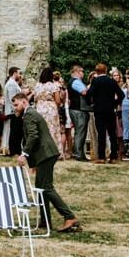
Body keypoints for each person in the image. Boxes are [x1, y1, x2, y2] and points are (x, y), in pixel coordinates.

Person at [13, 93, 80, 233]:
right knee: (41, 188)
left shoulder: (29, 114)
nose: (15, 108)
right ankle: (45, 221)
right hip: (44, 155)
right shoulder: (30, 113)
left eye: (16, 104)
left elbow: (33, 135)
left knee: (46, 187)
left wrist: (24, 155)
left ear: (25, 102)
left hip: (46, 154)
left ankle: (69, 216)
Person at [88, 63, 122, 163]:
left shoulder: (95, 81)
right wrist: (115, 103)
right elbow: (121, 95)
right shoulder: (112, 81)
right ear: (106, 71)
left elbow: (89, 93)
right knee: (112, 133)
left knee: (101, 133)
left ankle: (102, 157)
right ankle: (113, 157)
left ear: (97, 71)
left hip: (99, 110)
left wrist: (91, 103)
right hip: (110, 110)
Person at [32, 67, 64, 155]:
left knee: (41, 129)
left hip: (39, 107)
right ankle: (53, 151)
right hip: (50, 108)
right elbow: (57, 100)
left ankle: (41, 151)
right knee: (52, 129)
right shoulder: (53, 85)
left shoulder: (38, 85)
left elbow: (34, 98)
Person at [67, 64, 91, 161]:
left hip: (77, 109)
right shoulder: (76, 82)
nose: (83, 73)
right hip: (78, 109)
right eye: (82, 71)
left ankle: (79, 153)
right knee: (80, 132)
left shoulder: (74, 81)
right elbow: (84, 92)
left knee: (80, 131)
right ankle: (78, 153)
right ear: (76, 72)